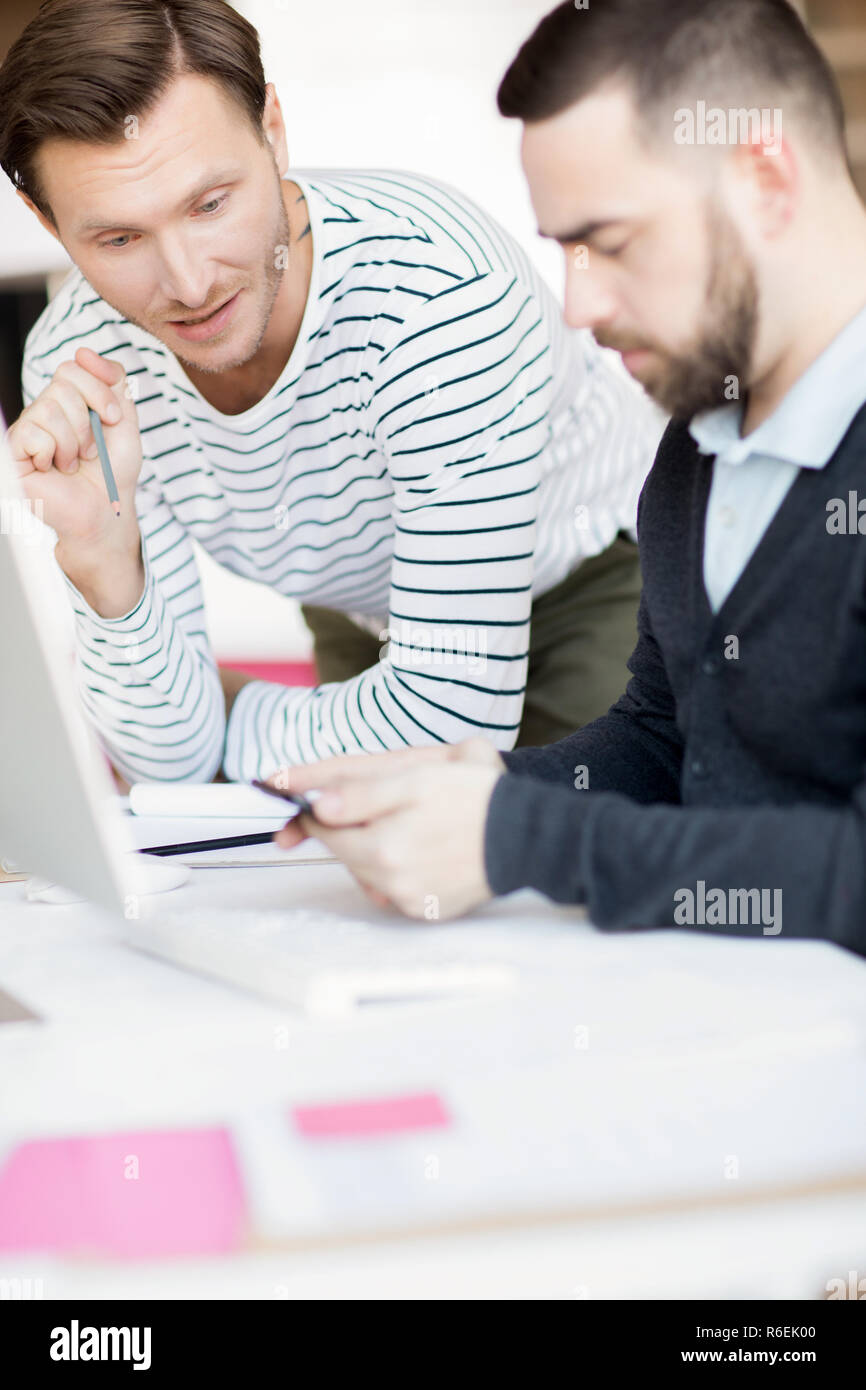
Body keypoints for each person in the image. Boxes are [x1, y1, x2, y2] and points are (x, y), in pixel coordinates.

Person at [273, 0, 866, 958]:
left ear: (763, 178)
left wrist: (519, 837)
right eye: (563, 251)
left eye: (614, 243)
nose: (581, 305)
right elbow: (666, 736)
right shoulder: (698, 442)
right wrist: (484, 783)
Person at [0, 0, 660, 785]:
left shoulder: (439, 296)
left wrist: (224, 723)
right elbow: (164, 761)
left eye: (210, 204)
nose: (189, 283)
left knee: (562, 873)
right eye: (118, 239)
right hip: (362, 616)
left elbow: (448, 729)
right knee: (339, 889)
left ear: (273, 132)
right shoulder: (76, 371)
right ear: (46, 220)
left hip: (587, 589)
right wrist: (105, 562)